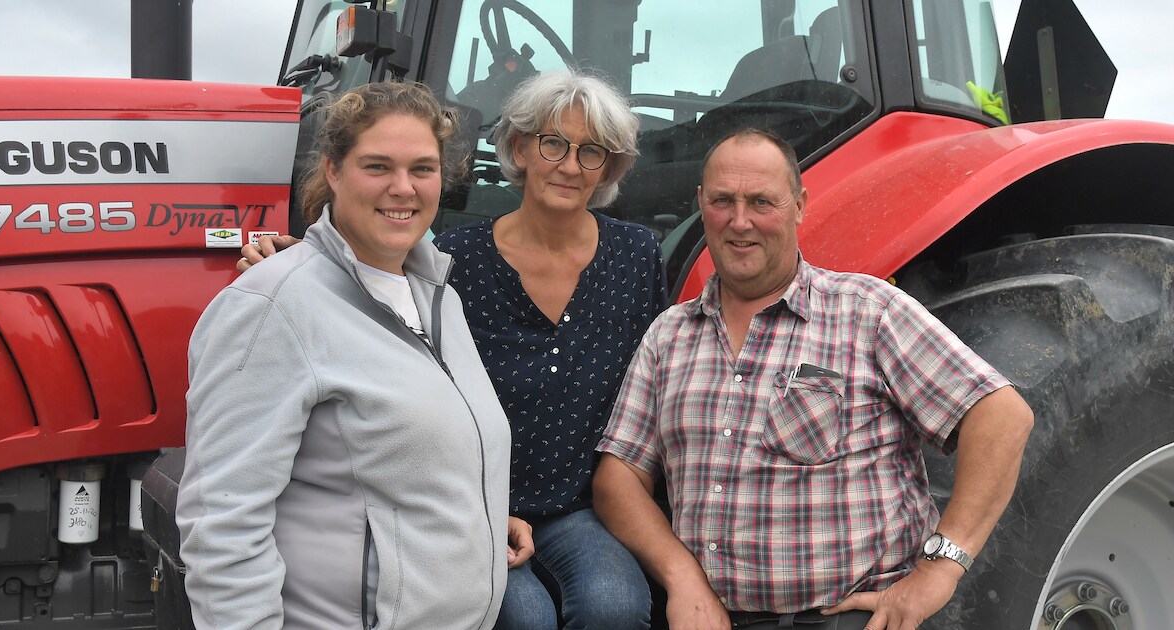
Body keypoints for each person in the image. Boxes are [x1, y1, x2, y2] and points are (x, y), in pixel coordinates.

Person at [239, 70, 662, 629]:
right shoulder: (451, 262)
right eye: (553, 142)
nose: (568, 164)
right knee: (523, 619)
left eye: (591, 152)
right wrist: (295, 262)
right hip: (471, 505)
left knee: (619, 607)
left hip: (580, 504)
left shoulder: (636, 256)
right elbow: (367, 284)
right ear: (518, 147)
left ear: (608, 168)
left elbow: (659, 375)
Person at [592, 128, 1035, 630]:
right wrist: (682, 577)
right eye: (722, 201)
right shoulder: (668, 335)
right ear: (701, 204)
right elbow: (618, 477)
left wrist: (940, 567)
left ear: (800, 205)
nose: (740, 221)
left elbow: (1001, 416)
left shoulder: (867, 312)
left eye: (762, 202)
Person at [177, 81, 519, 629]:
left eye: (423, 169)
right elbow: (221, 524)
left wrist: (480, 515)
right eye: (378, 166)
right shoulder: (272, 305)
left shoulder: (439, 295)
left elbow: (406, 460)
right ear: (333, 170)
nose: (403, 188)